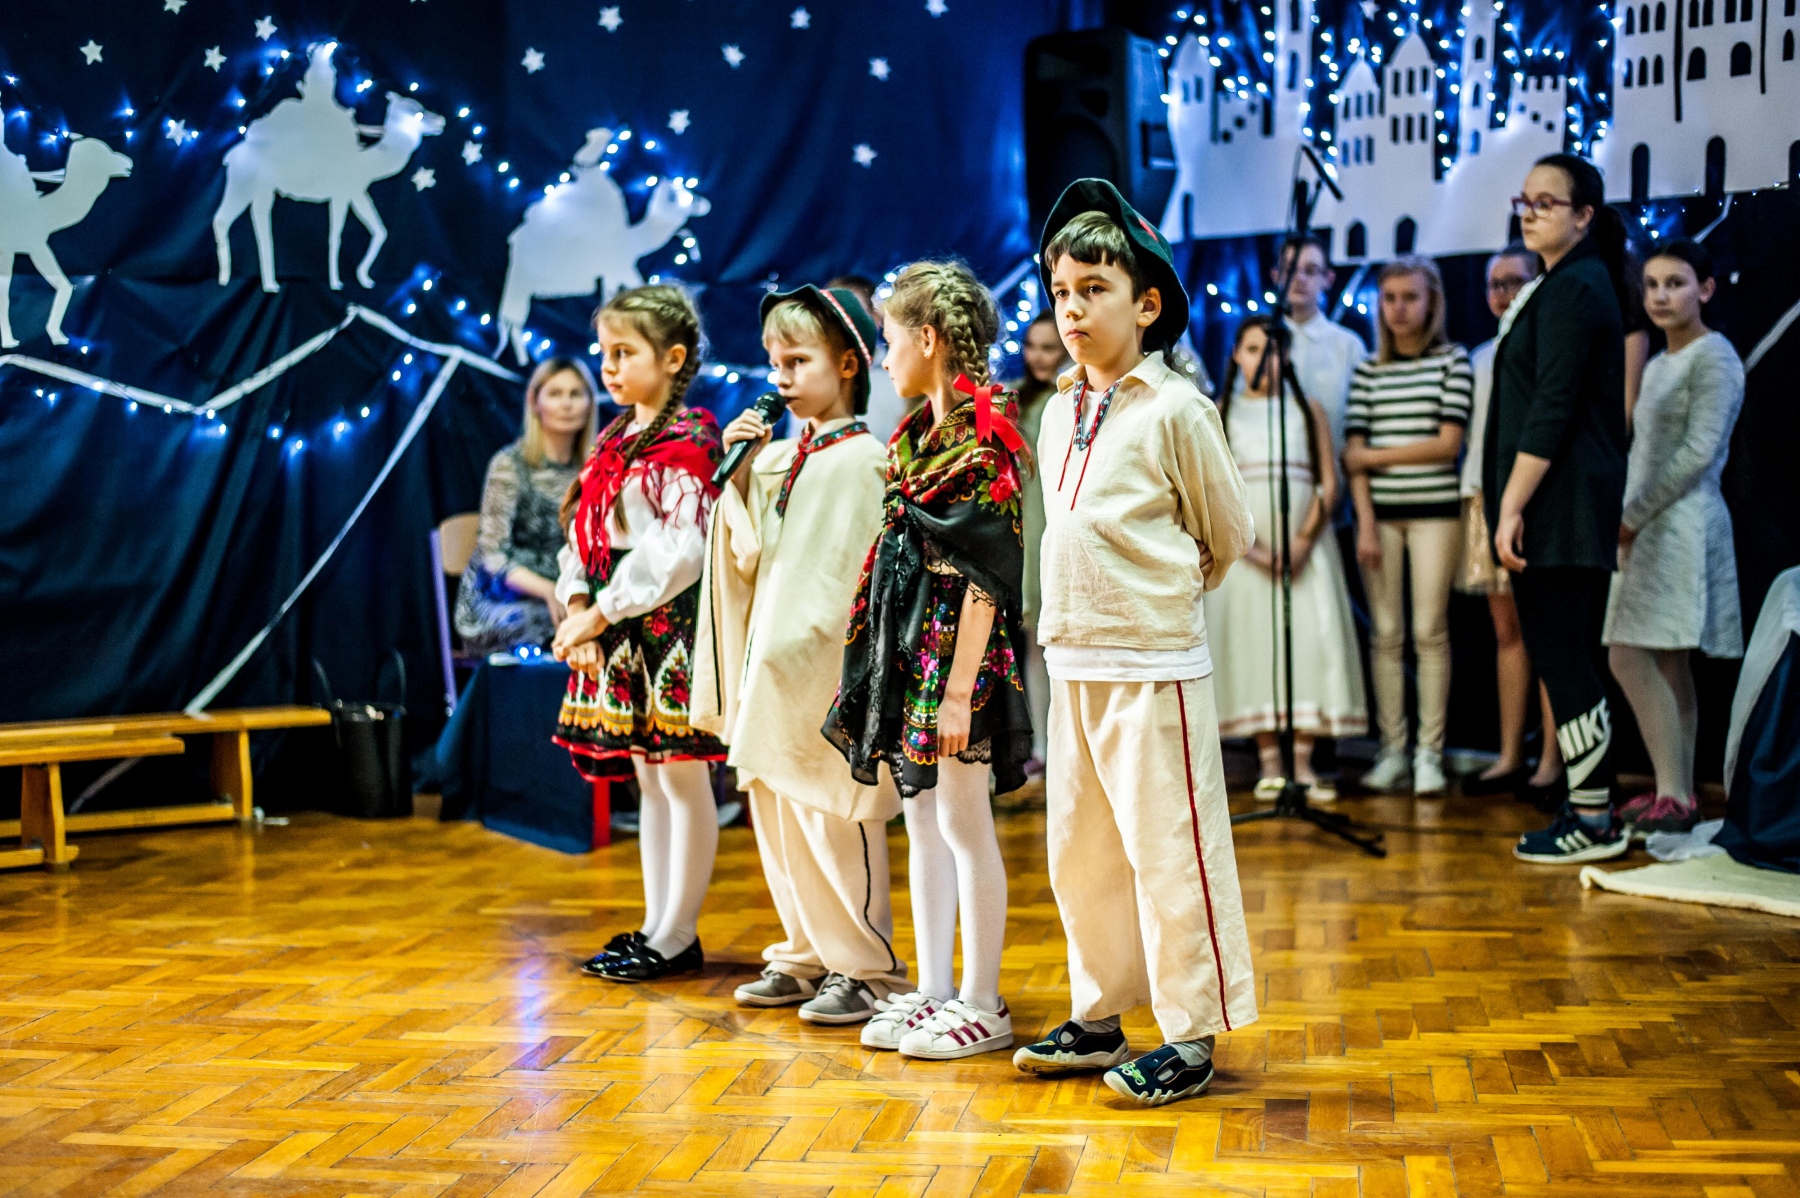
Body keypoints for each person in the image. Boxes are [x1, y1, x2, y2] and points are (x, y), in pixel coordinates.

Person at [1009, 179, 1257, 1107]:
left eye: (1094, 290)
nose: (1071, 310)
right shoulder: (1056, 411)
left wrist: (1161, 596)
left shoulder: (1177, 408)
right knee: (1082, 853)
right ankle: (1100, 1012)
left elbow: (1226, 531)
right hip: (1072, 657)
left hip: (1152, 664)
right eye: (1060, 292)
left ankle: (1189, 1033)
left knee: (1170, 851)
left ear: (1146, 304)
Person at [823, 260, 1033, 1062]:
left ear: (929, 339)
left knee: (965, 822)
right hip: (914, 647)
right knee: (923, 819)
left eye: (888, 341)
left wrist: (956, 691)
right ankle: (937, 988)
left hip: (959, 661)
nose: (883, 359)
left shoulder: (987, 437)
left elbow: (987, 574)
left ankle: (983, 998)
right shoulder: (915, 438)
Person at [692, 285, 909, 1024]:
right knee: (780, 818)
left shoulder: (866, 460)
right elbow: (748, 554)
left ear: (848, 364)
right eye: (774, 362)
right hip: (774, 671)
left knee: (836, 816)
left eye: (798, 361)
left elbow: (859, 571)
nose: (780, 377)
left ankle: (866, 967)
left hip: (826, 675)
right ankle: (804, 952)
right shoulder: (779, 458)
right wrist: (741, 474)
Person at [549, 284, 728, 979]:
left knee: (681, 775)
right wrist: (576, 603)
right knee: (649, 778)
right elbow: (583, 534)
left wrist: (600, 612)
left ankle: (679, 932)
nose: (609, 366)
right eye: (605, 352)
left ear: (673, 358)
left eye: (625, 352)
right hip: (619, 626)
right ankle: (657, 924)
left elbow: (679, 551)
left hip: (666, 627)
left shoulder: (691, 441)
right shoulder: (614, 438)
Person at [1487, 153, 1632, 864]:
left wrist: (1511, 505)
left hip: (1561, 504)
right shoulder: (1561, 283)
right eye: (1525, 200)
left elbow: (1554, 405)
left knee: (1564, 655)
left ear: (1584, 215)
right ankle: (1591, 805)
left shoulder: (1577, 286)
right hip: (1557, 502)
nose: (1531, 211)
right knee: (1561, 653)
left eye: (1547, 201)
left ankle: (1595, 818)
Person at [1606, 239, 1746, 837]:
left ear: (1705, 290)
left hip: (1680, 523)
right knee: (1665, 660)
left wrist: (1632, 516)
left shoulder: (1714, 357)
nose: (1661, 296)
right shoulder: (1660, 362)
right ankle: (1677, 792)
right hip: (1650, 524)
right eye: (1652, 285)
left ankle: (1674, 793)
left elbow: (1698, 453)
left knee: (1629, 654)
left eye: (1676, 283)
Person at [1206, 318, 1366, 801]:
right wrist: (1252, 549)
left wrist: (1302, 542)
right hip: (1248, 552)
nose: (1265, 360)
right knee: (1253, 645)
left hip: (1304, 549)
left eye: (1274, 350)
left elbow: (1328, 481)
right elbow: (1212, 489)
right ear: (1237, 355)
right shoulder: (1221, 411)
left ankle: (1303, 762)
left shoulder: (1305, 408)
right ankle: (1270, 762)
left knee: (1309, 644)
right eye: (1254, 349)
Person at [1344, 256, 1474, 797]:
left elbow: (1447, 445)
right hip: (1380, 518)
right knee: (1386, 634)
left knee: (1429, 631)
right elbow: (1351, 457)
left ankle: (1429, 755)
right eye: (1390, 298)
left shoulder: (1453, 361)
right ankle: (1393, 750)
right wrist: (1364, 522)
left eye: (1410, 297)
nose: (1399, 308)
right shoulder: (1367, 370)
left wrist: (1373, 457)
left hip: (1435, 515)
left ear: (1431, 301)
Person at [1457, 248, 1566, 800]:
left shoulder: (1546, 342)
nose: (1503, 294)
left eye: (1515, 282)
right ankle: (1508, 754)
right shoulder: (1479, 356)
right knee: (1507, 633)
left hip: (1530, 497)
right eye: (1494, 284)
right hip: (1483, 493)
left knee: (1548, 630)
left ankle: (1552, 759)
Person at [454, 358, 598, 655]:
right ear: (535, 402)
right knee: (555, 624)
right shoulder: (510, 465)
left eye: (576, 394)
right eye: (555, 394)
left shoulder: (596, 468)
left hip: (569, 593)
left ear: (589, 403)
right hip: (502, 601)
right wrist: (548, 591)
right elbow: (493, 557)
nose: (567, 404)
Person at [1009, 312, 1069, 773]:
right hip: (1029, 525)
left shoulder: (1079, 398)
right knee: (1035, 642)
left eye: (1049, 347)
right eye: (1032, 346)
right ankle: (1043, 747)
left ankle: (1069, 747)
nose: (1038, 356)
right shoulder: (1015, 399)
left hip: (1066, 521)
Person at [1269, 234, 1368, 455]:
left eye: (1311, 270)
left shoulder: (1349, 345)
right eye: (1290, 269)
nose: (1299, 278)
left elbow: (1361, 420)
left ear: (1328, 278)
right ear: (1276, 276)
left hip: (1337, 467)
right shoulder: (1262, 342)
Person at [831, 274, 914, 445]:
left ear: (876, 318)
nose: (841, 324)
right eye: (832, 315)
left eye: (852, 315)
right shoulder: (807, 377)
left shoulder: (903, 376)